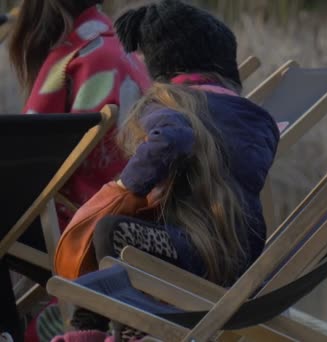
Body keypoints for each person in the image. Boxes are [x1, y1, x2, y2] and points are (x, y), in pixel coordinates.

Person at [56, 0, 279, 338]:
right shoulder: (258, 119)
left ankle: (114, 331)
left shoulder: (172, 104)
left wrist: (127, 187)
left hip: (195, 255)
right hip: (243, 261)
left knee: (110, 230)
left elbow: (172, 138)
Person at [2, 1, 150, 341]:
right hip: (131, 225)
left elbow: (22, 159)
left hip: (83, 230)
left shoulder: (74, 58)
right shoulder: (118, 49)